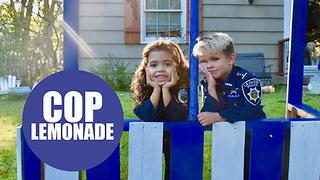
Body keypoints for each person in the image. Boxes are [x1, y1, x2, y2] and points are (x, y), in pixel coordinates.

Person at [131, 39, 189, 180]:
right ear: (146, 68)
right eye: (154, 65)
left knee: (174, 171)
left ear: (178, 67)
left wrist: (166, 90)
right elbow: (146, 115)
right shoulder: (144, 87)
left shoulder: (181, 87)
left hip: (176, 139)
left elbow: (176, 115)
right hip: (151, 139)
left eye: (167, 64)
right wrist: (157, 89)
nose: (160, 69)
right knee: (150, 171)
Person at [193, 32, 266, 126]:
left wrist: (218, 116)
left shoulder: (248, 81)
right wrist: (211, 87)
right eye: (203, 61)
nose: (209, 66)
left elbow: (247, 112)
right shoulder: (209, 81)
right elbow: (209, 113)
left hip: (254, 132)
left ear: (230, 59)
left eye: (215, 59)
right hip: (226, 134)